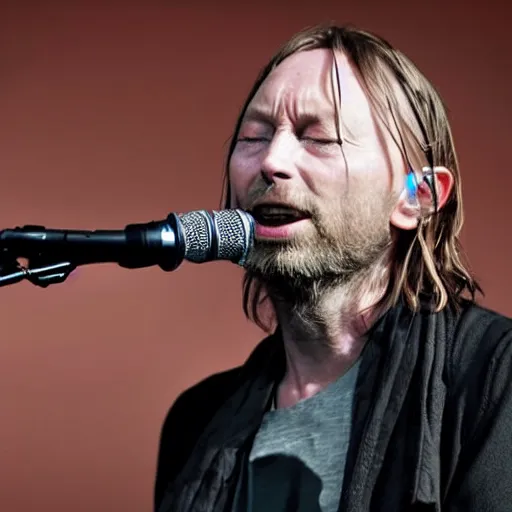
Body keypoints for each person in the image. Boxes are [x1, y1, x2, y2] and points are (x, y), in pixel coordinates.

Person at [154, 24, 512, 512]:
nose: (272, 161)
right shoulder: (196, 421)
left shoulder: (493, 378)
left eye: (318, 138)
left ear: (417, 197)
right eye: (254, 136)